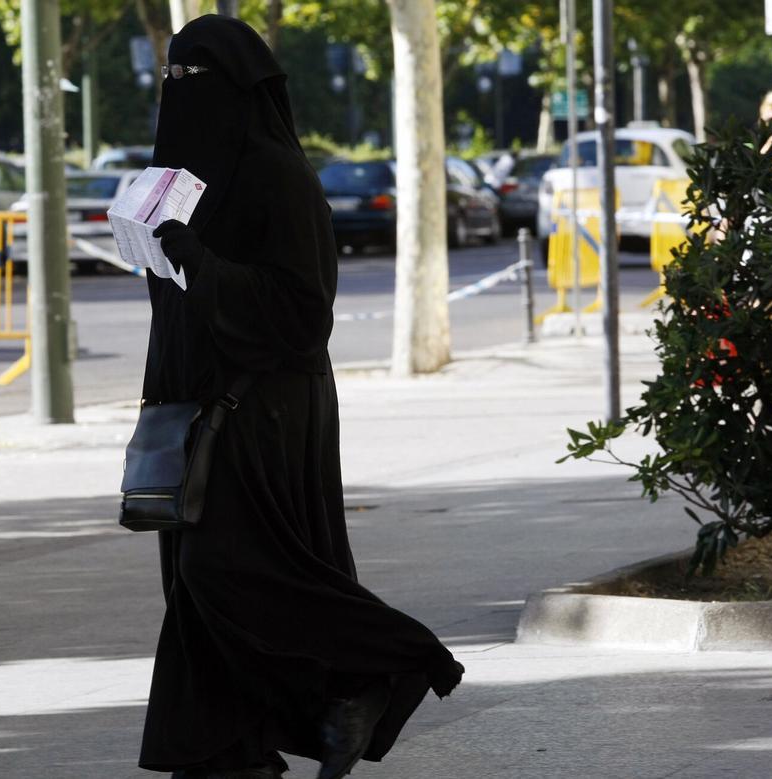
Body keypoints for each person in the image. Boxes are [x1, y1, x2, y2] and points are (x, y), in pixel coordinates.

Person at [136, 16, 464, 779]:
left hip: (265, 410)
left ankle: (389, 663)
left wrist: (197, 259)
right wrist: (154, 243)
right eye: (171, 79)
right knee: (193, 581)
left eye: (196, 80)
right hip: (196, 408)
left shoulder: (277, 176)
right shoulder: (183, 182)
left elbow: (302, 307)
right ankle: (228, 750)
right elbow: (182, 299)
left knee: (236, 572)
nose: (179, 95)